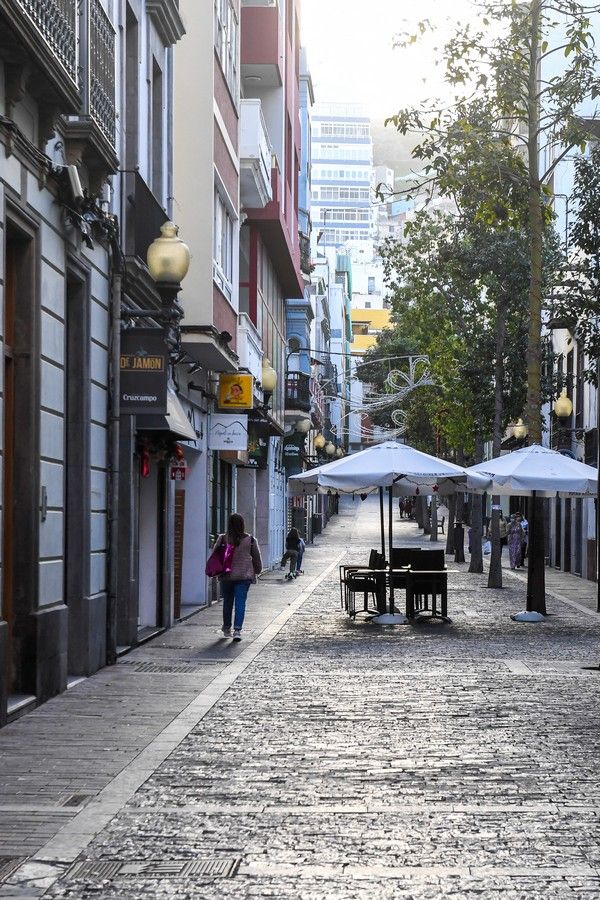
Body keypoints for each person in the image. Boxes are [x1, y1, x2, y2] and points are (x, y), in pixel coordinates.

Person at [214, 513, 262, 641]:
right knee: (240, 603)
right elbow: (257, 558)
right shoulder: (250, 540)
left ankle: (226, 628)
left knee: (227, 602)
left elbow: (215, 556)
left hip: (226, 577)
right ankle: (237, 630)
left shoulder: (223, 539)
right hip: (244, 576)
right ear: (242, 524)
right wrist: (257, 571)